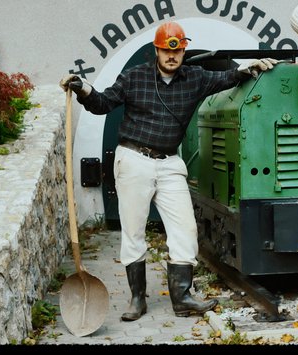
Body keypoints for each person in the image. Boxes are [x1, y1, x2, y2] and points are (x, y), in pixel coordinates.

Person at [60, 21, 277, 321]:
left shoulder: (196, 77)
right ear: (157, 50)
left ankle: (183, 298)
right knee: (134, 231)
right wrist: (82, 86)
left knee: (185, 230)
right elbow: (102, 103)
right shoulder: (134, 77)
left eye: (178, 51)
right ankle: (137, 299)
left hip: (170, 162)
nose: (172, 56)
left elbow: (227, 78)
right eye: (166, 50)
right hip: (133, 159)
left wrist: (249, 67)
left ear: (184, 51)